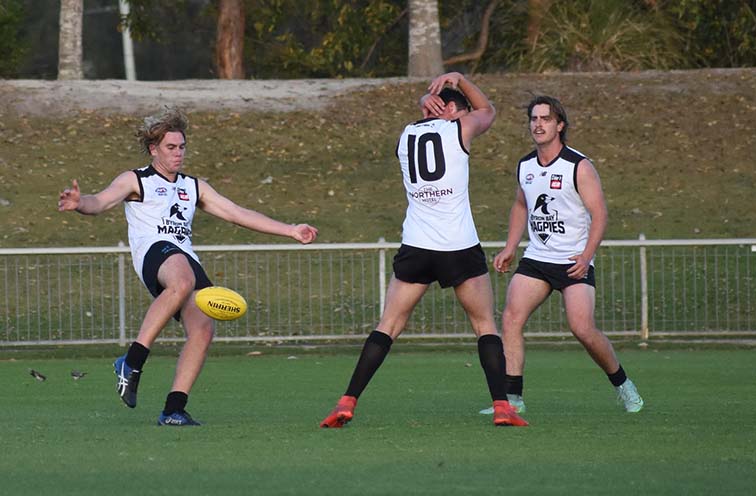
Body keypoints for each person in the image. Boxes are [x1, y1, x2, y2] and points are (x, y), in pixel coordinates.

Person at [58, 109, 318, 426]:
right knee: (181, 279)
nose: (178, 153)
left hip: (183, 256)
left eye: (182, 147)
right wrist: (80, 203)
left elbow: (237, 213)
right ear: (154, 149)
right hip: (154, 252)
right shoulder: (136, 180)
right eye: (171, 147)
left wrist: (290, 230)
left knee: (203, 330)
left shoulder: (194, 187)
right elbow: (101, 201)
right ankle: (132, 361)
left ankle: (173, 410)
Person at [320, 72, 528, 428]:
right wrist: (459, 79)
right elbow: (488, 111)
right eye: (461, 111)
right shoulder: (459, 129)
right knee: (485, 325)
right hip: (458, 245)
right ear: (452, 111)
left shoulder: (406, 135)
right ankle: (502, 407)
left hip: (417, 245)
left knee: (388, 325)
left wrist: (424, 101)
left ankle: (346, 401)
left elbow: (434, 119)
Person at [479, 95, 643, 416]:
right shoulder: (526, 166)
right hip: (537, 258)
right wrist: (511, 247)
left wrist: (586, 256)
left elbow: (600, 214)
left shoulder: (578, 166)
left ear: (560, 125)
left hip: (572, 260)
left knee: (582, 329)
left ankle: (623, 384)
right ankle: (512, 399)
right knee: (511, 319)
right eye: (534, 119)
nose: (538, 124)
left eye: (546, 119)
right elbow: (521, 205)